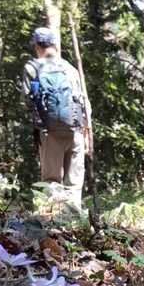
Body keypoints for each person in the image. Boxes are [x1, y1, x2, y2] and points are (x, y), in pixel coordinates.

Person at [22, 26, 89, 210]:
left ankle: (56, 222)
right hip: (75, 131)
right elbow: (82, 101)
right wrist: (86, 133)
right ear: (55, 45)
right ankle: (75, 220)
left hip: (48, 131)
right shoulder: (70, 68)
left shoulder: (32, 67)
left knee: (52, 182)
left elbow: (27, 101)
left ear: (37, 46)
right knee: (74, 183)